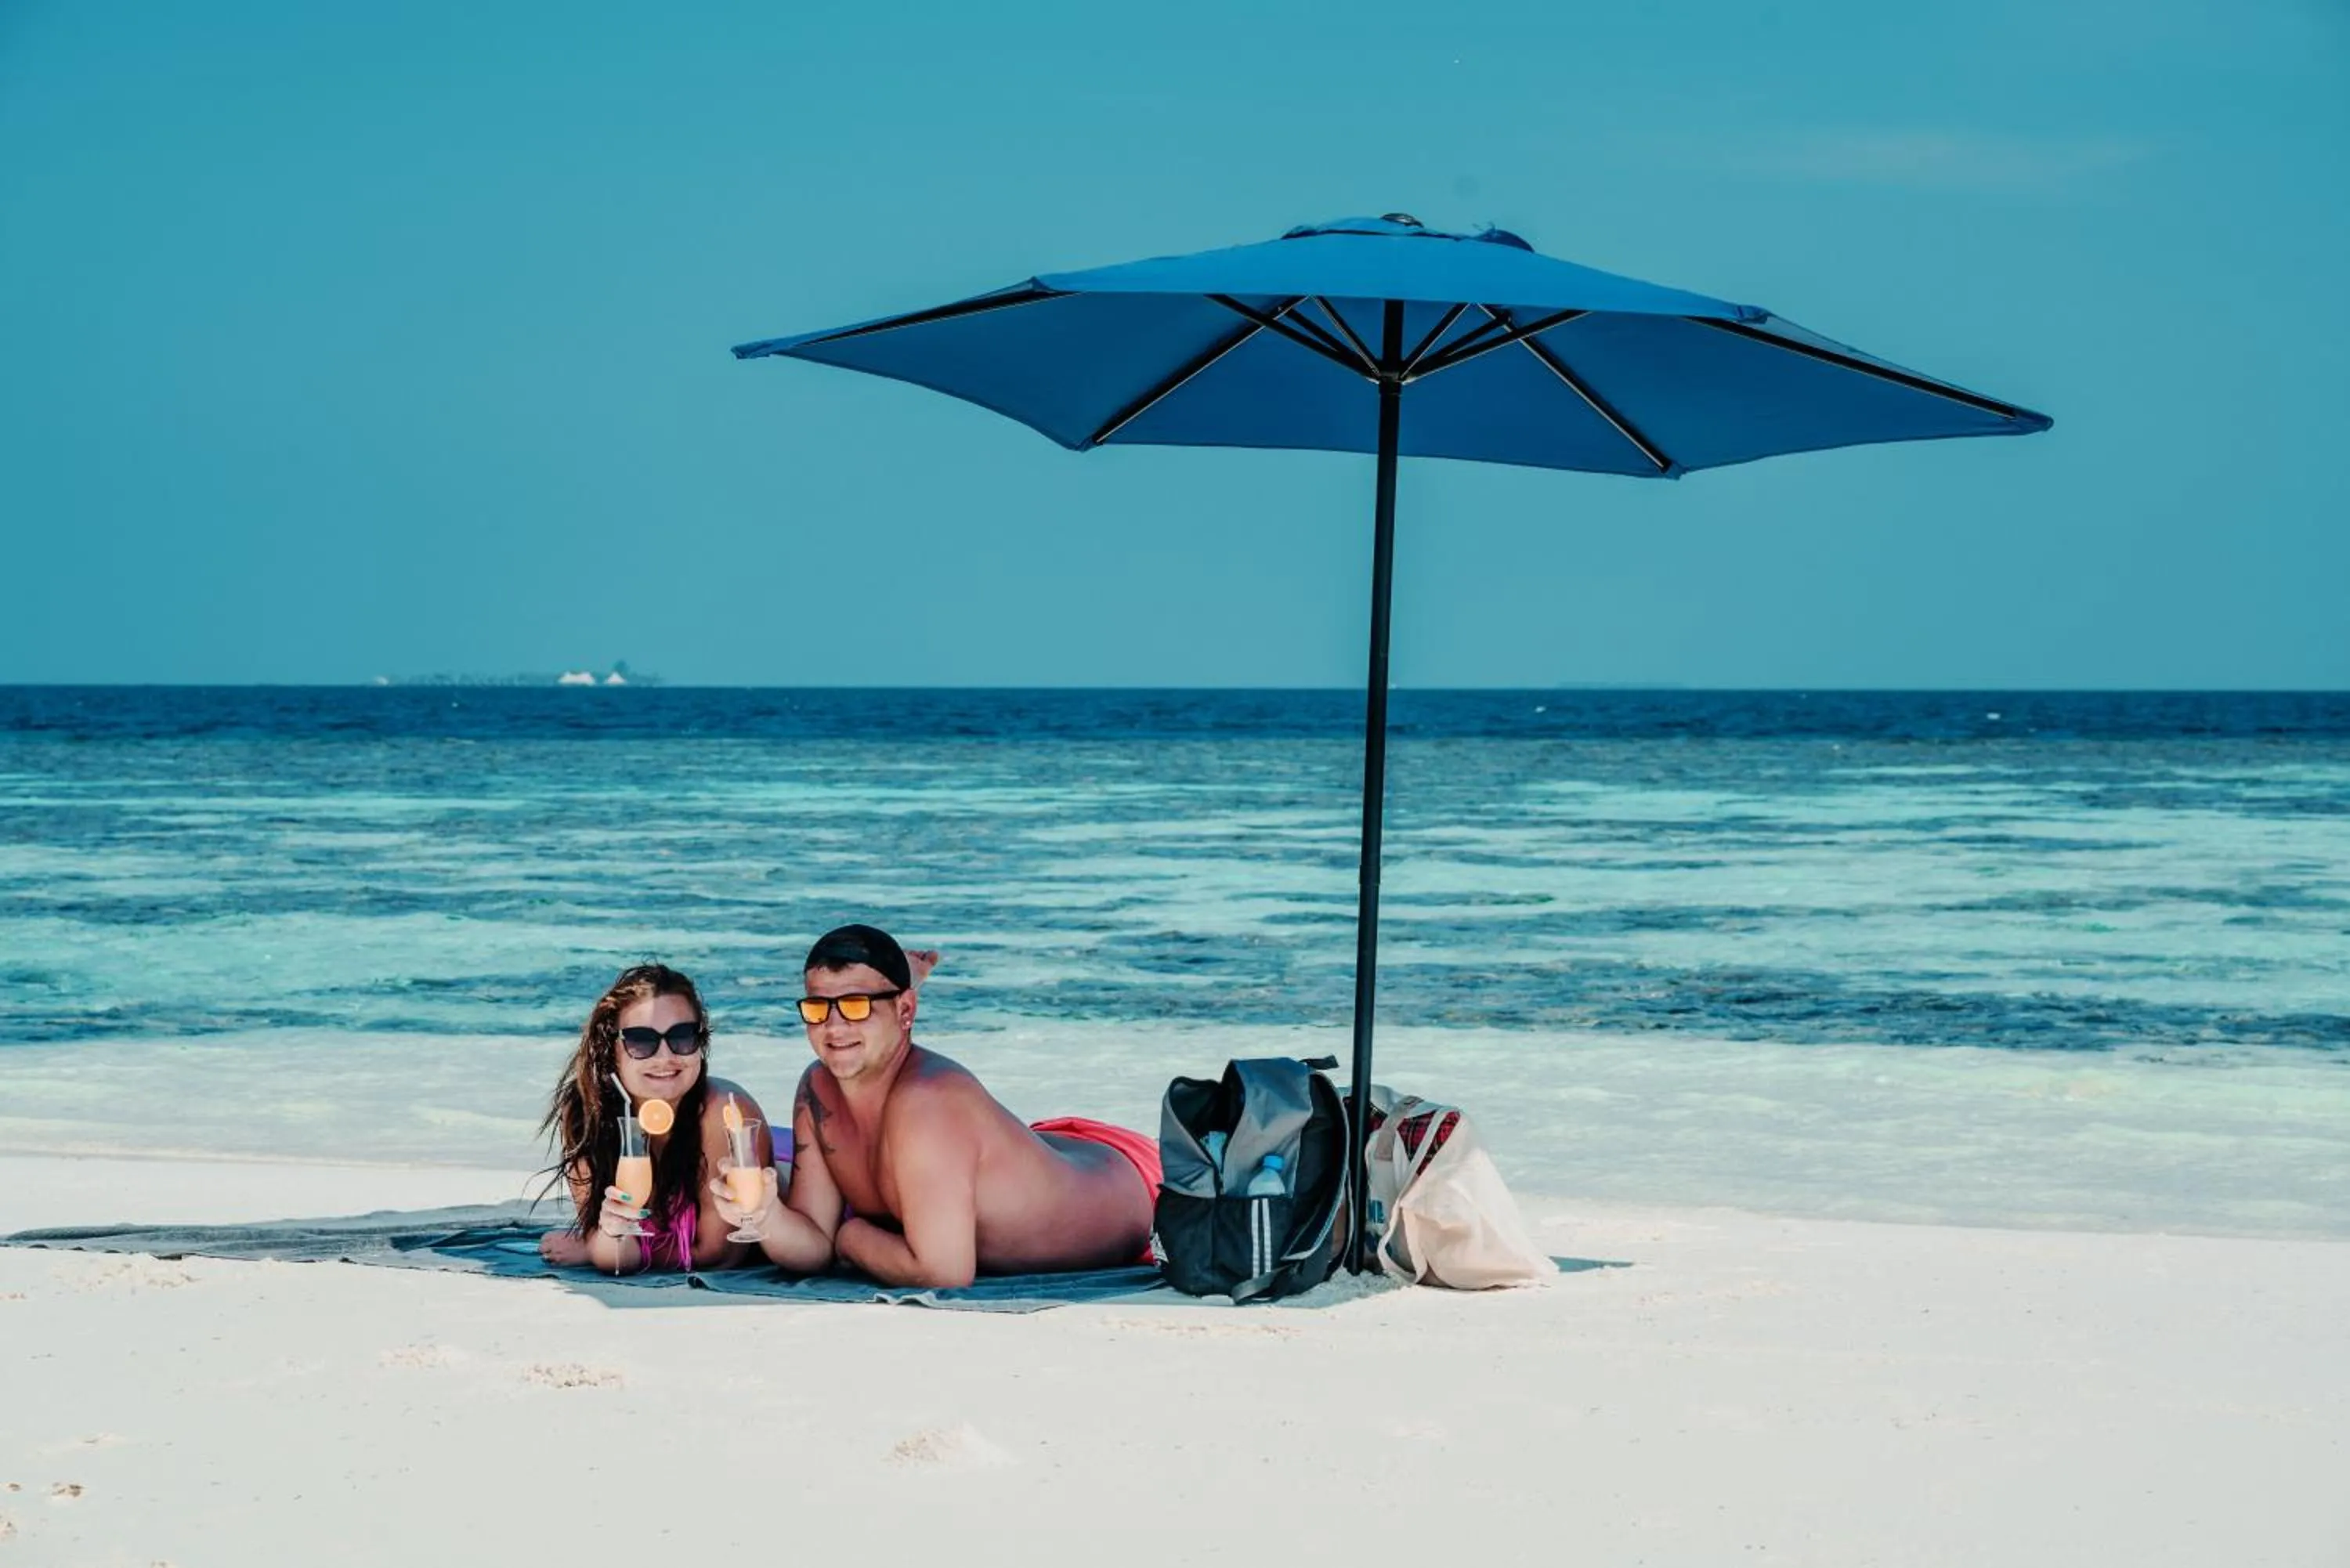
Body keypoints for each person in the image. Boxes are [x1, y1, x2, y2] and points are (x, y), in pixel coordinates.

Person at [715, 925, 1159, 1288]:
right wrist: (766, 1214)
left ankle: (897, 984)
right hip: (1039, 1151)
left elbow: (943, 1272)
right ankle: (890, 985)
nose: (833, 1027)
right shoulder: (818, 1087)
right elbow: (813, 1246)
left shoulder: (927, 1102)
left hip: (1129, 1180)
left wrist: (850, 1236)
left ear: (906, 1011)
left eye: (855, 1006)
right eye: (818, 1008)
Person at [537, 963, 774, 1274]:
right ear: (611, 1050)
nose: (665, 1057)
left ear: (701, 1042)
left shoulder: (725, 1114)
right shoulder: (587, 1115)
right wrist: (606, 1242)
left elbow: (718, 1254)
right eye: (641, 1040)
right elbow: (607, 1241)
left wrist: (596, 1250)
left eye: (683, 1036)